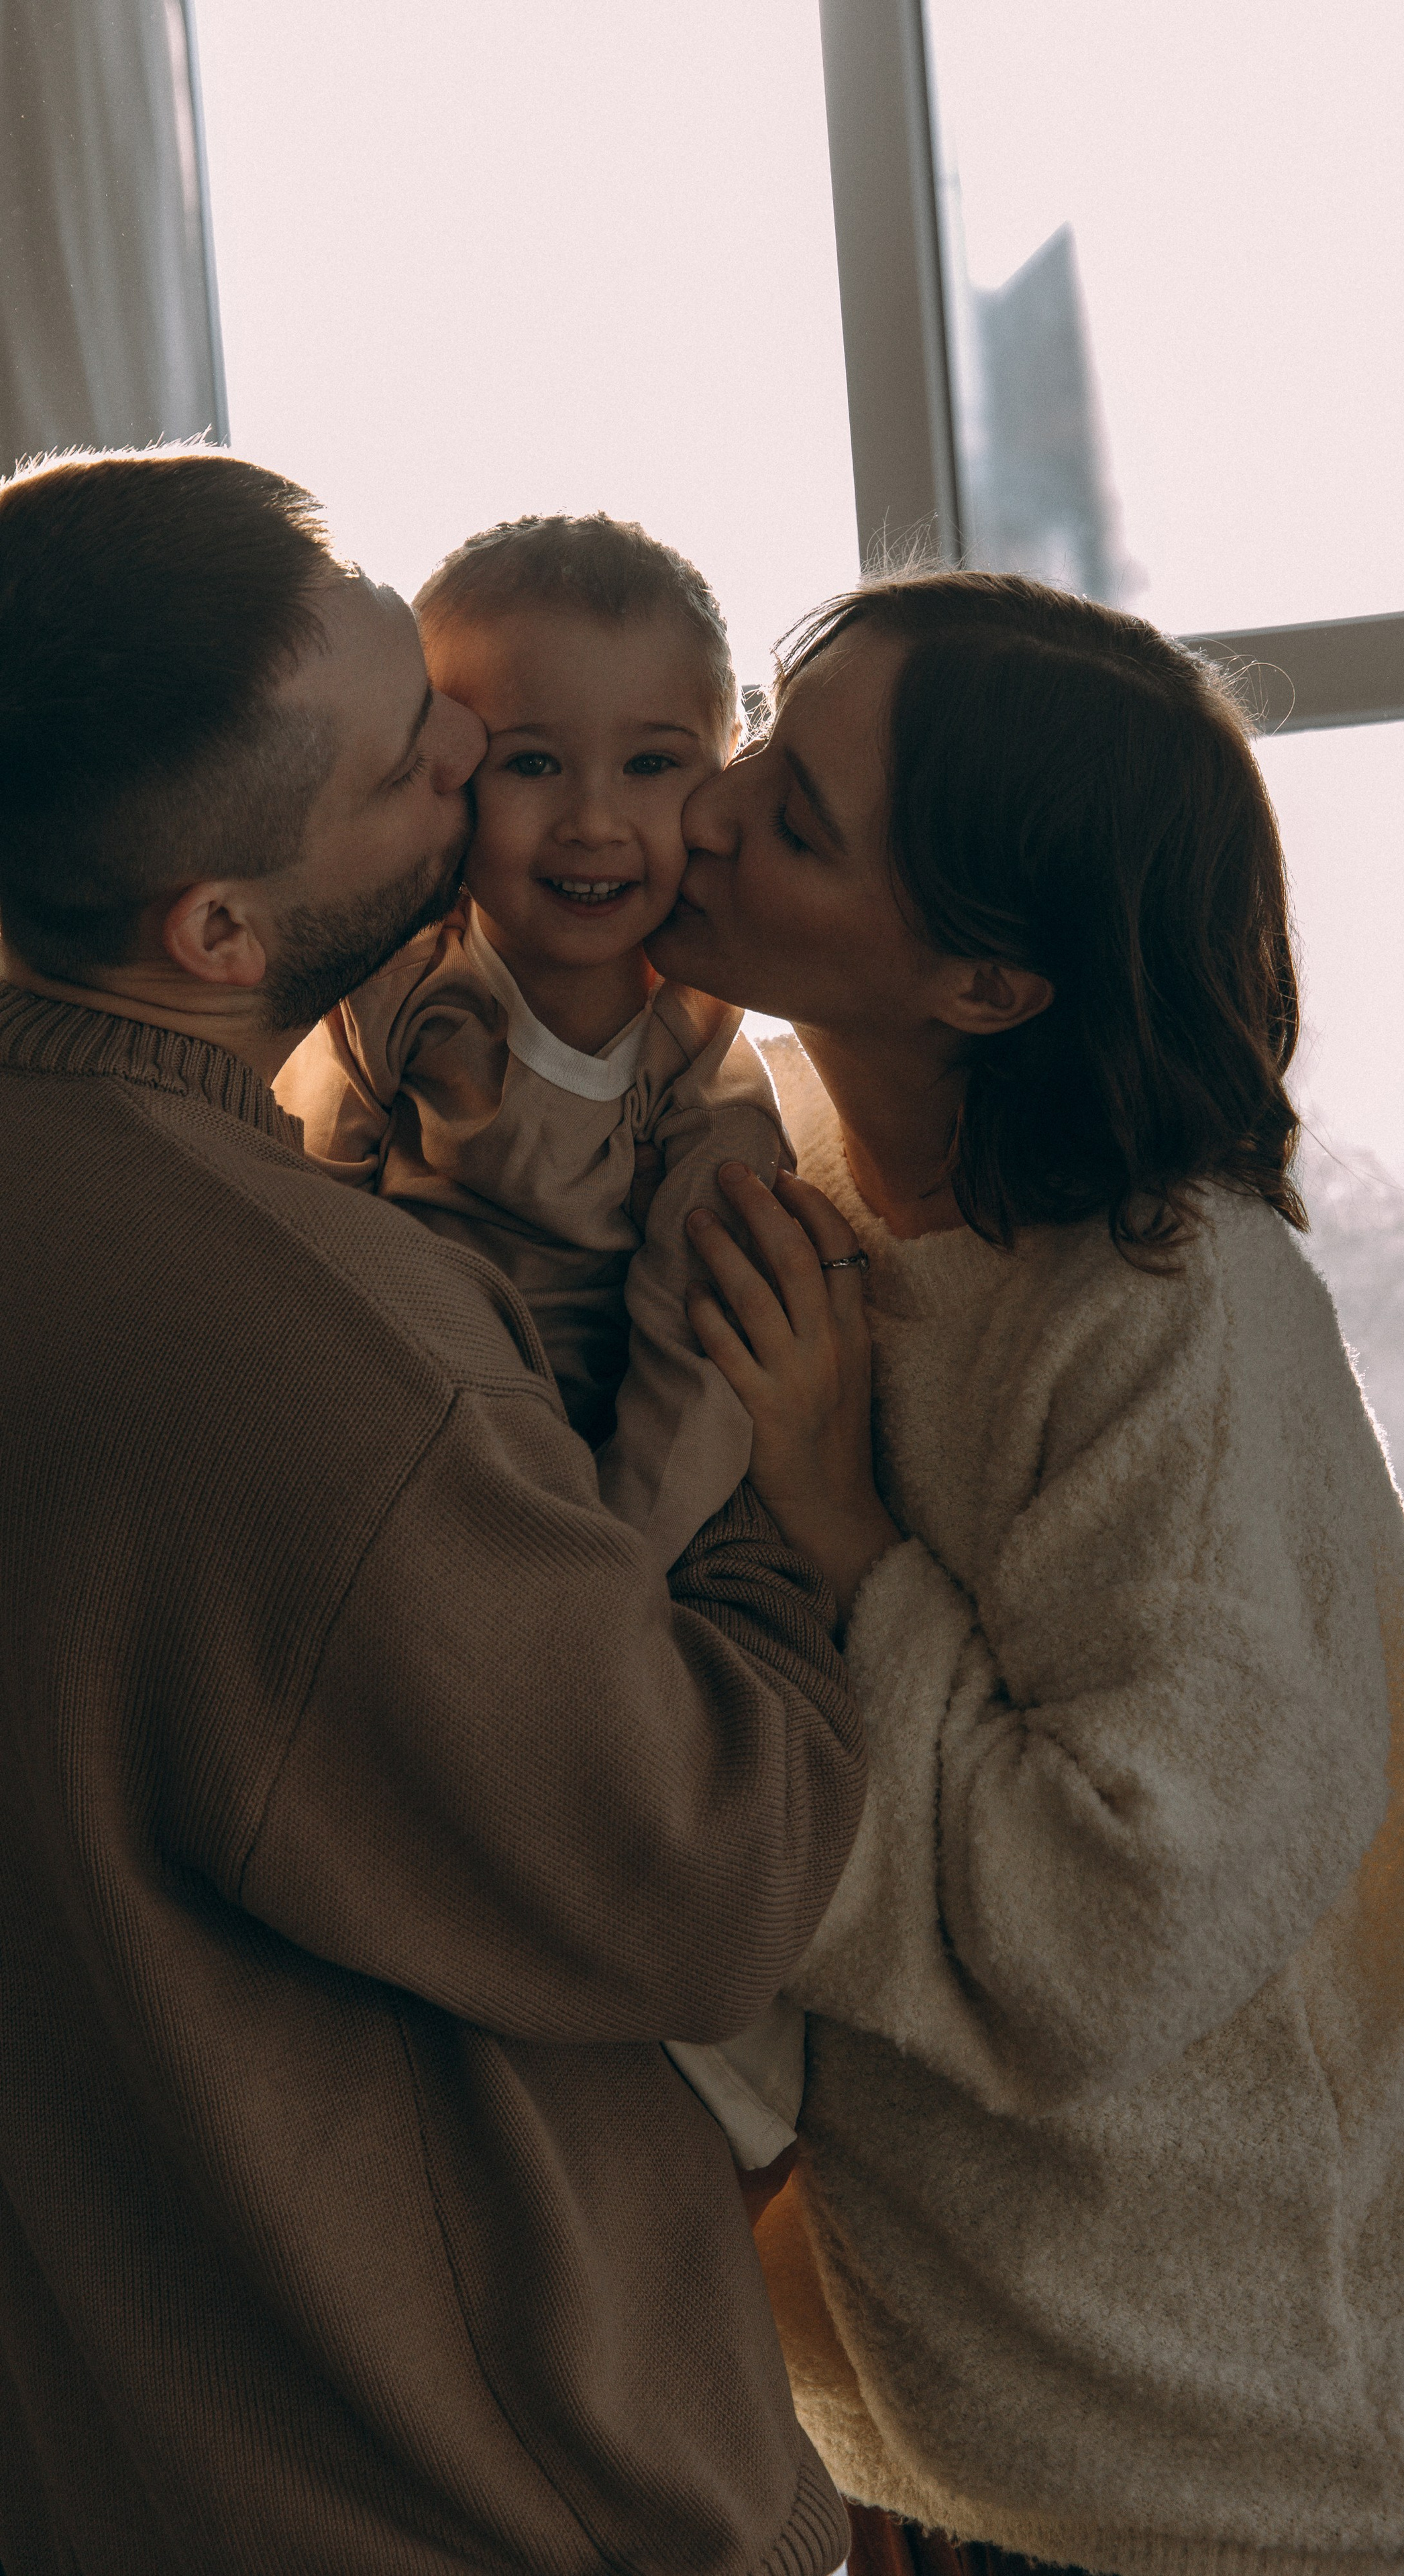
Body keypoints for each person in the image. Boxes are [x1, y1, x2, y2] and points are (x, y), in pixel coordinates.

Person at [0, 445, 865, 2575]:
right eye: (418, 759)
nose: (479, 760)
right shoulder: (322, 1351)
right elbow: (708, 1874)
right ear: (217, 928)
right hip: (454, 2492)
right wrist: (780, 1486)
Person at [645, 571, 1404, 2576]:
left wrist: (834, 1518)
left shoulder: (1171, 1316)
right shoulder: (765, 1166)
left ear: (984, 983)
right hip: (937, 2424)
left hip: (1227, 2480)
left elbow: (1113, 1928)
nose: (711, 804)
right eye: (769, 735)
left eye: (793, 816)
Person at [277, 508, 806, 2178]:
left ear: (716, 779)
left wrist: (611, 1569)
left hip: (612, 1486)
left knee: (644, 1781)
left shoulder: (695, 1046)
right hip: (418, 1425)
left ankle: (700, 2097)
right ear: (445, 779)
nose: (593, 822)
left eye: (653, 765)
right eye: (526, 764)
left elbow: (696, 1339)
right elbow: (299, 1208)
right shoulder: (404, 992)